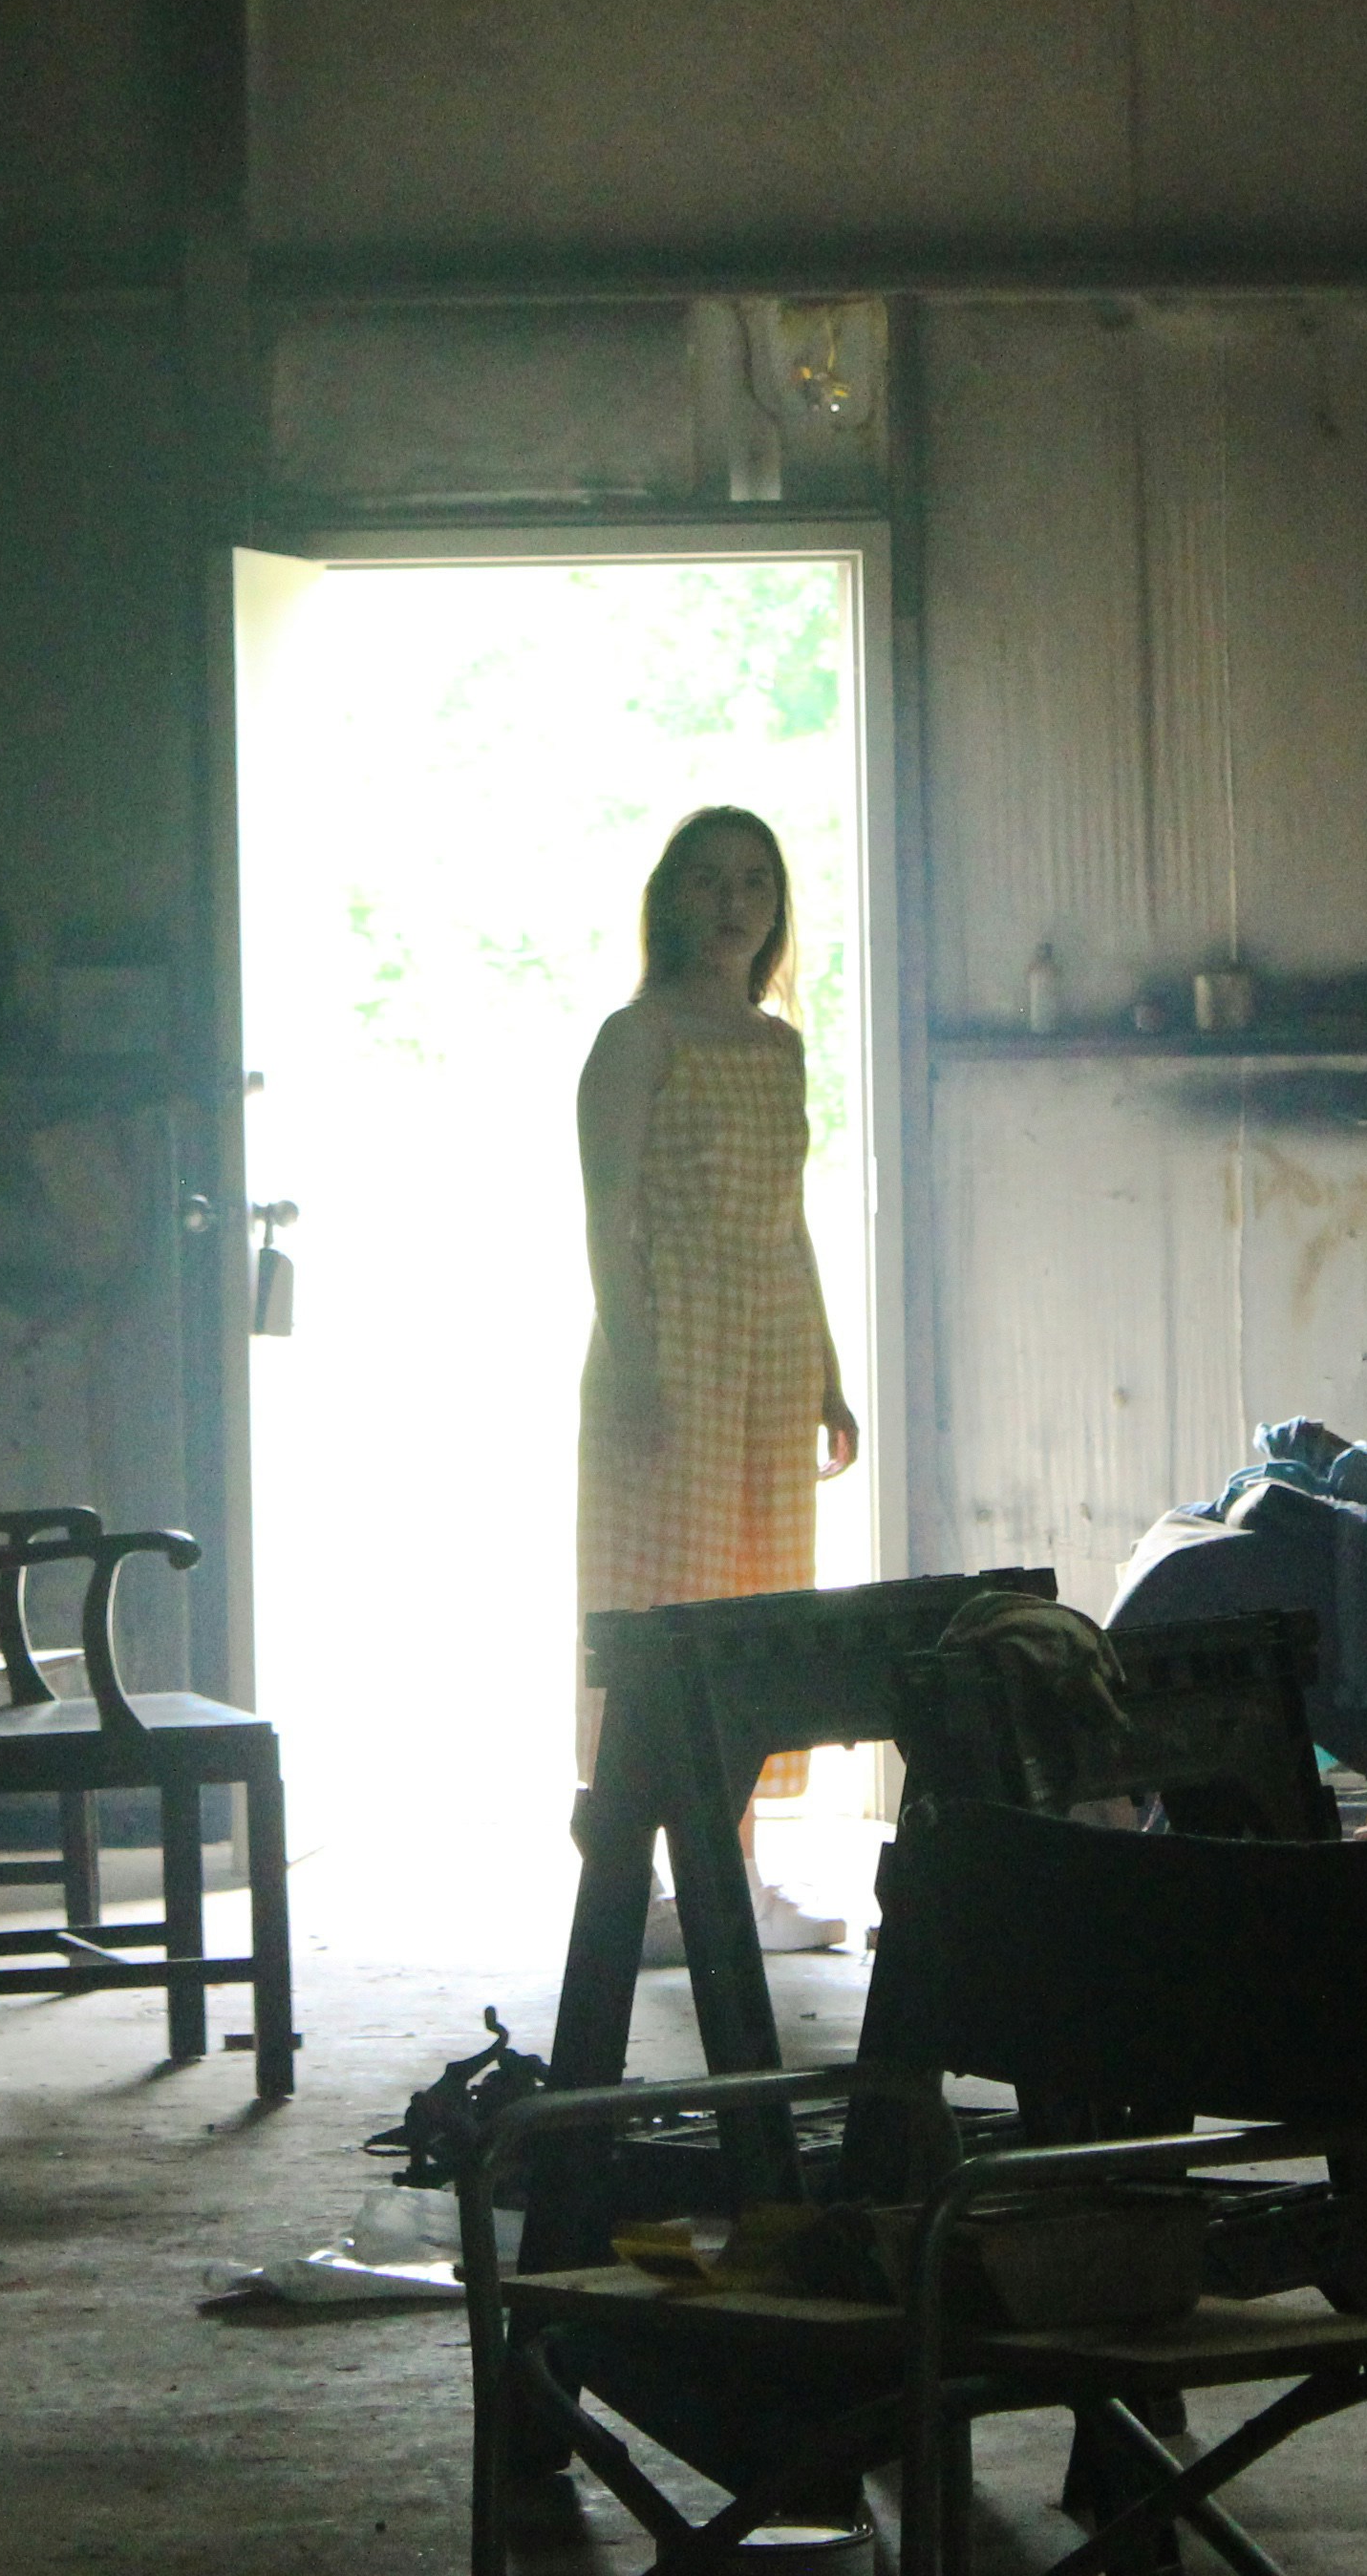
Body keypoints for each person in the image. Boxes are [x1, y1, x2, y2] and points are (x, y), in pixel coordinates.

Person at [577, 804, 863, 1958]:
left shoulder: (776, 1045)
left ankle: (735, 1874)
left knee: (756, 1606)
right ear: (669, 897)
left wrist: (828, 1375)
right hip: (670, 1342)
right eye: (709, 881)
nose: (733, 902)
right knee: (660, 1606)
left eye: (754, 881)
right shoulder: (637, 1037)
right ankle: (638, 1878)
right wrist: (639, 1367)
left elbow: (788, 1226)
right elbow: (606, 1219)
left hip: (769, 1348)